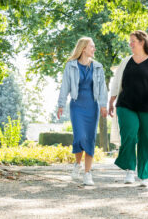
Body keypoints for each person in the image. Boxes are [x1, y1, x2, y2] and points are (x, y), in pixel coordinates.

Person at [108, 30, 148, 187]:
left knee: (146, 140)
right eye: (130, 41)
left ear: (142, 42)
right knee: (129, 134)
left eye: (133, 41)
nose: (130, 44)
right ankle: (129, 170)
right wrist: (112, 99)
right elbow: (116, 82)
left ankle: (144, 176)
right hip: (126, 105)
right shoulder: (125, 61)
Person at [57, 37, 108, 186]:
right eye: (92, 46)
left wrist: (103, 105)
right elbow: (64, 86)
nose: (94, 49)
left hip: (92, 106)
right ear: (84, 48)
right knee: (80, 136)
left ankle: (87, 173)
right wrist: (61, 105)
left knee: (90, 138)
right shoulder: (71, 66)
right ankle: (77, 164)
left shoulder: (98, 67)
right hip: (76, 106)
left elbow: (103, 88)